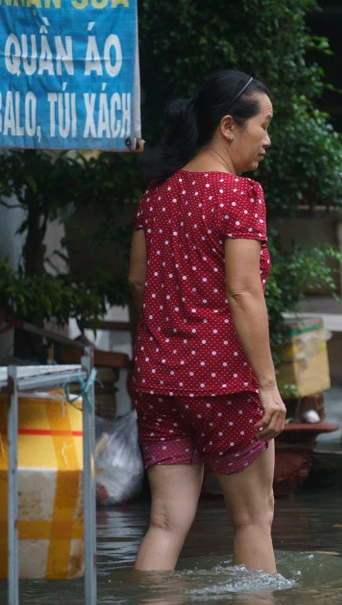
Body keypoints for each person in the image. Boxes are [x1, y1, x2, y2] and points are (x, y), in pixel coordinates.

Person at [127, 70, 284, 574]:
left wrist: (157, 347)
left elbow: (136, 282)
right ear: (228, 127)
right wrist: (268, 386)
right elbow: (243, 291)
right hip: (223, 383)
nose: (267, 138)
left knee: (166, 525)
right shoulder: (239, 196)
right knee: (254, 520)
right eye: (264, 125)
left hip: (158, 381)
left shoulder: (157, 195)